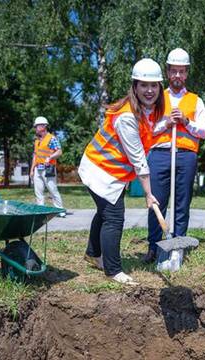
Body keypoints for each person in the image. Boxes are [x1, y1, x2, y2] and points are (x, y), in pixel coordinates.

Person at [78, 58, 163, 285]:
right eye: (144, 85)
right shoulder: (127, 117)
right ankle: (113, 270)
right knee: (114, 217)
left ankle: (93, 253)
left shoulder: (147, 111)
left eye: (154, 85)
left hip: (109, 172)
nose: (149, 90)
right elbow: (138, 160)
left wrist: (168, 124)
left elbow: (150, 130)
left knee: (104, 212)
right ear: (135, 86)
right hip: (100, 170)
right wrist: (148, 193)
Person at [142, 48, 205, 263]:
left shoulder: (195, 101)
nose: (178, 76)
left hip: (186, 155)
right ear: (168, 72)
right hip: (160, 154)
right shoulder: (156, 98)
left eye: (182, 71)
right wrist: (167, 123)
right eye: (174, 71)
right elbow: (148, 129)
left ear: (187, 73)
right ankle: (154, 247)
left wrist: (186, 122)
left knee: (182, 202)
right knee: (156, 202)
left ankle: (177, 247)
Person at [30, 116, 65, 217]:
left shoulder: (51, 138)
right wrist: (32, 170)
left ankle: (60, 210)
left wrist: (50, 157)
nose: (36, 128)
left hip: (48, 168)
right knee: (38, 191)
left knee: (52, 189)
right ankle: (41, 211)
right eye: (35, 126)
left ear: (44, 126)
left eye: (37, 126)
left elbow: (59, 151)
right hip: (37, 169)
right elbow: (35, 156)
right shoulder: (37, 141)